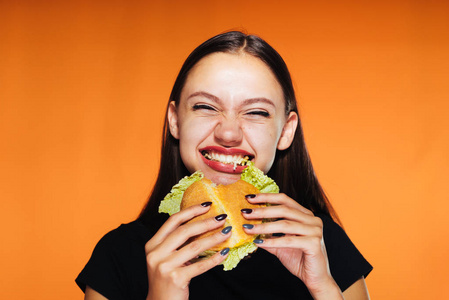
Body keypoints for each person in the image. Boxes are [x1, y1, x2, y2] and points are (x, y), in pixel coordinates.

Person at [76, 31, 372, 300]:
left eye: (256, 112)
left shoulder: (322, 242)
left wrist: (324, 289)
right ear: (176, 120)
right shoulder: (119, 254)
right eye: (205, 106)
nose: (228, 133)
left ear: (286, 131)